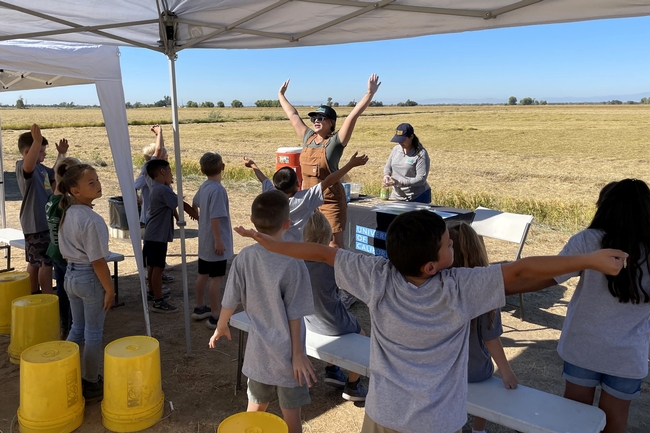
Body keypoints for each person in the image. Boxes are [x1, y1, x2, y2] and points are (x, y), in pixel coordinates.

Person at [234, 209, 626, 433]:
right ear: (431, 264)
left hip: (382, 415)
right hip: (438, 424)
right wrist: (587, 260)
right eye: (447, 243)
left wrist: (273, 243)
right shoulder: (459, 289)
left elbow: (320, 254)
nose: (453, 243)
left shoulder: (376, 276)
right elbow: (521, 272)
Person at [520, 179, 650, 433]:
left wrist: (500, 285)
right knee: (616, 423)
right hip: (628, 356)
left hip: (582, 347)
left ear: (604, 207)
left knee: (575, 421)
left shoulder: (586, 241)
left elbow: (550, 277)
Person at [209, 190, 315, 433]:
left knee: (253, 417)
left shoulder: (245, 257)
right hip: (289, 358)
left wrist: (221, 326)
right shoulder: (293, 261)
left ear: (252, 220)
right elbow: (295, 312)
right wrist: (298, 354)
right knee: (292, 421)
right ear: (287, 224)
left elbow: (230, 298)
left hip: (259, 355)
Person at [278, 74, 381, 248]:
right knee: (309, 241)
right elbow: (293, 115)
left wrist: (369, 93)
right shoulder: (308, 137)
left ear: (331, 123)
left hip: (330, 201)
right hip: (308, 200)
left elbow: (352, 117)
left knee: (334, 245)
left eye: (321, 118)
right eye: (314, 118)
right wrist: (281, 95)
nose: (316, 121)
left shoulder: (335, 142)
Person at [448, 221, 518, 433]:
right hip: (476, 371)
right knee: (485, 380)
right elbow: (491, 338)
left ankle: (456, 425)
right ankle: (479, 430)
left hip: (444, 371)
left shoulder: (439, 286)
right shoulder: (486, 290)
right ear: (479, 250)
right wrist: (507, 373)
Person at [58, 164, 114, 402]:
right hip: (88, 278)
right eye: (90, 182)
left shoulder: (69, 213)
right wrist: (109, 288)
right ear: (75, 191)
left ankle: (63, 372)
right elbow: (98, 261)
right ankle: (91, 382)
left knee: (77, 328)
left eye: (97, 179)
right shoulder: (91, 219)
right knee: (92, 333)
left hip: (70, 276)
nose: (98, 184)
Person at [302, 210, 368, 401]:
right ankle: (353, 385)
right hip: (333, 321)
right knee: (361, 335)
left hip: (308, 321)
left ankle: (333, 370)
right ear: (329, 237)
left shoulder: (298, 262)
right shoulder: (331, 264)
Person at [242, 151, 369, 242]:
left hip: (276, 244)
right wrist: (350, 164)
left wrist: (253, 165)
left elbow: (264, 180)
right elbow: (329, 181)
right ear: (298, 183)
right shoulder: (306, 198)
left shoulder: (271, 196)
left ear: (275, 186)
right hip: (299, 247)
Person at [15, 123, 68, 294]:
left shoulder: (42, 169)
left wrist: (61, 154)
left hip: (44, 222)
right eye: (40, 151)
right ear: (27, 152)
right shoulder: (23, 166)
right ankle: (47, 296)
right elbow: (28, 167)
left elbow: (55, 174)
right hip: (36, 223)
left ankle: (33, 296)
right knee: (45, 262)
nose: (44, 154)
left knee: (36, 261)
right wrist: (36, 140)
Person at [143, 159, 197, 313]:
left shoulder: (157, 188)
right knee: (158, 268)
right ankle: (158, 301)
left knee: (153, 266)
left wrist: (178, 216)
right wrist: (196, 215)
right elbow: (180, 202)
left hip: (152, 234)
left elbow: (173, 206)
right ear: (162, 172)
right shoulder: (163, 190)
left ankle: (153, 293)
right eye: (170, 171)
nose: (172, 175)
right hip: (157, 235)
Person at [191, 152, 233, 329]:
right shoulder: (217, 190)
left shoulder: (205, 186)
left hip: (204, 241)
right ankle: (216, 315)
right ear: (222, 167)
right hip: (215, 242)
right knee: (216, 278)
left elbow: (194, 203)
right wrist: (218, 240)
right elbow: (216, 217)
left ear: (202, 170)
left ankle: (200, 306)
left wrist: (199, 218)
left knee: (203, 275)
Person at [45, 156, 81, 338]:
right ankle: (74, 329)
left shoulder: (53, 198)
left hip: (55, 252)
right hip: (67, 256)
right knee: (73, 296)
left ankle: (64, 327)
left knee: (62, 291)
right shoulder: (67, 205)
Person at [135, 125, 174, 284]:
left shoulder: (154, 169)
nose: (166, 159)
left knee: (156, 250)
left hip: (158, 212)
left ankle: (156, 276)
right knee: (152, 249)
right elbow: (158, 151)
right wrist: (160, 133)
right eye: (164, 158)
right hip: (152, 214)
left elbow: (160, 150)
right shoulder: (150, 170)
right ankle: (152, 280)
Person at [382, 123, 431, 203]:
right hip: (396, 196)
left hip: (417, 197)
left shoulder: (421, 154)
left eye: (403, 140)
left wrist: (399, 182)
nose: (400, 143)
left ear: (411, 137)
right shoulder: (396, 149)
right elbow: (388, 167)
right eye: (398, 140)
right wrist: (386, 175)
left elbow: (421, 179)